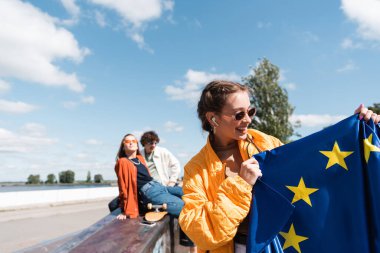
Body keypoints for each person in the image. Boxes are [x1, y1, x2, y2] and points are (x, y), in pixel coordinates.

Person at [178, 80, 380, 253]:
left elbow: (309, 169)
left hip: (280, 244)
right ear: (213, 118)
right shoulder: (195, 169)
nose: (248, 120)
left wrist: (355, 132)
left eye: (251, 111)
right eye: (239, 115)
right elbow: (201, 231)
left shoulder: (266, 143)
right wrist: (241, 185)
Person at [114, 133, 197, 252]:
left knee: (191, 193)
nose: (131, 143)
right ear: (123, 146)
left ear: (137, 146)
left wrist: (171, 181)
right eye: (127, 141)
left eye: (133, 141)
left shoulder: (140, 159)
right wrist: (124, 209)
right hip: (150, 192)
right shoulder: (123, 162)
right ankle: (190, 245)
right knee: (183, 206)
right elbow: (123, 187)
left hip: (160, 186)